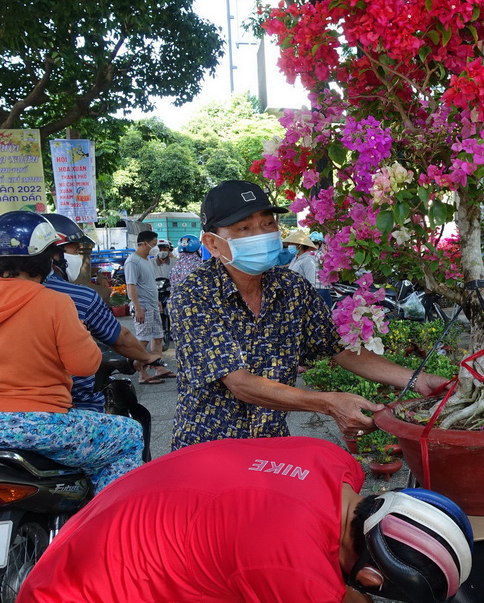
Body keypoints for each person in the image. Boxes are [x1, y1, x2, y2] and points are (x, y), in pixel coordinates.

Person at [14, 437, 474, 603]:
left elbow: (335, 559)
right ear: (375, 578)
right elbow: (311, 575)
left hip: (90, 556)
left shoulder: (333, 465)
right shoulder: (301, 577)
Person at [170, 180, 449, 451]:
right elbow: (240, 383)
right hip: (209, 448)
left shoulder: (291, 287)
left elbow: (341, 350)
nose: (261, 234)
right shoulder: (194, 295)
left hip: (271, 446)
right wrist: (329, 403)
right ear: (213, 243)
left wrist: (418, 380)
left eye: (268, 224)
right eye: (244, 228)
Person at [0, 212, 143, 491]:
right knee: (129, 436)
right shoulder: (56, 303)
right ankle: (109, 525)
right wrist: (79, 333)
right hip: (39, 427)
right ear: (46, 257)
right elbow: (85, 366)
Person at [40, 213, 162, 412]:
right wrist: (147, 357)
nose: (79, 255)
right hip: (68, 408)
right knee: (131, 435)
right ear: (54, 253)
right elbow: (120, 338)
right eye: (75, 249)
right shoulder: (78, 297)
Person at [123, 230, 173, 385]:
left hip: (152, 304)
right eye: (154, 244)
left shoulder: (146, 260)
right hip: (143, 306)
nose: (156, 248)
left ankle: (159, 368)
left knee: (158, 336)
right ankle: (141, 372)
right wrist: (137, 308)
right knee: (143, 339)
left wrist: (157, 300)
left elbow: (150, 284)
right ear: (144, 243)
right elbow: (131, 287)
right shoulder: (133, 262)